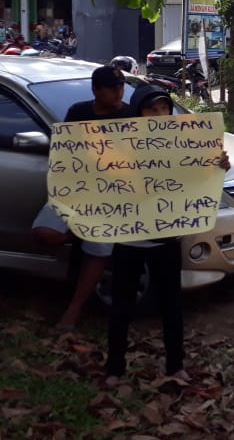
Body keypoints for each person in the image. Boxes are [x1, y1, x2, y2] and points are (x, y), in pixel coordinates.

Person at [104, 84, 231, 387]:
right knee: (121, 306)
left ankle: (175, 366)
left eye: (165, 109)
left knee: (172, 306)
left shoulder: (181, 145)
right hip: (128, 240)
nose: (160, 115)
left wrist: (218, 166)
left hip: (167, 241)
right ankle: (114, 368)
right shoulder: (118, 146)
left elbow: (197, 180)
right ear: (138, 113)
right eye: (152, 110)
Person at [32, 65, 133, 329]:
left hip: (112, 198)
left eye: (121, 87)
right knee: (44, 232)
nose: (118, 93)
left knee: (99, 249)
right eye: (112, 89)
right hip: (76, 191)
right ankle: (80, 232)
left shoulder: (131, 115)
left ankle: (72, 313)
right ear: (95, 90)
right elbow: (63, 153)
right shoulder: (78, 112)